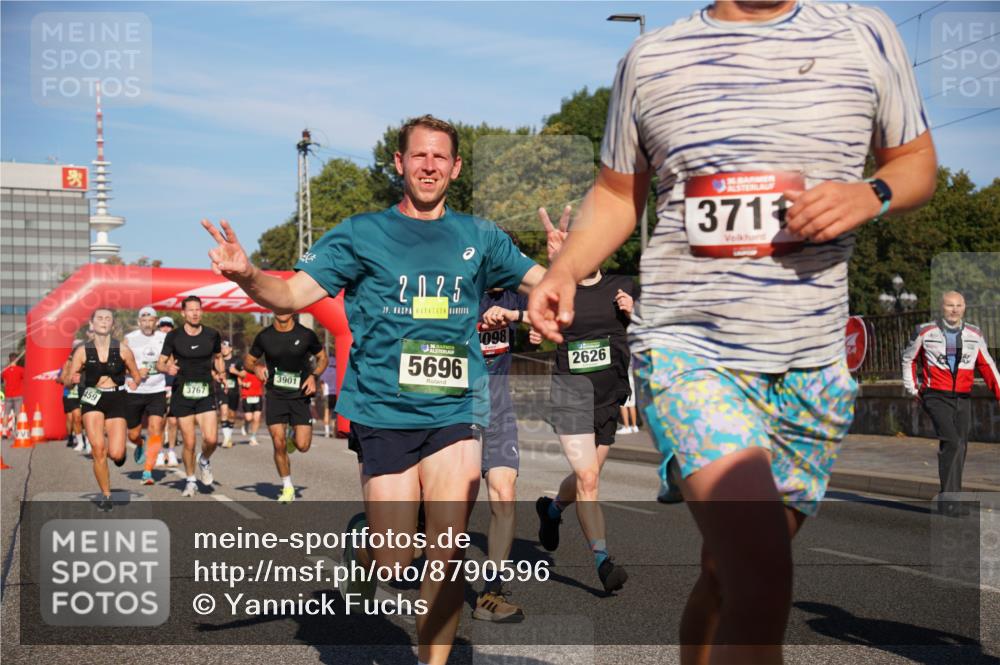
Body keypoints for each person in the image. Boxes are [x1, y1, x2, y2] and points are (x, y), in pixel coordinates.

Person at [527, 2, 937, 662]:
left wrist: (871, 194)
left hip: (811, 363)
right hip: (690, 350)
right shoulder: (650, 59)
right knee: (763, 572)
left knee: (728, 574)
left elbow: (916, 158)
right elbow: (615, 193)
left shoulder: (865, 32)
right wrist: (566, 267)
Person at [203, 114, 546, 665]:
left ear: (455, 168)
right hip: (383, 410)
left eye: (440, 157)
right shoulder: (361, 233)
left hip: (456, 407)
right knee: (394, 560)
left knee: (448, 551)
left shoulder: (481, 237)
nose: (429, 165)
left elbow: (543, 283)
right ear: (399, 164)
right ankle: (366, 545)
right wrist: (247, 275)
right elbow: (290, 297)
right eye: (419, 156)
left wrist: (570, 270)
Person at [534, 206, 635, 594]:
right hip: (571, 396)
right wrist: (555, 268)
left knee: (584, 478)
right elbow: (528, 307)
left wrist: (635, 310)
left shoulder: (622, 286)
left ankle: (553, 508)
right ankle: (603, 560)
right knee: (589, 478)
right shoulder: (558, 287)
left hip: (608, 398)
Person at [902, 291, 1000, 506]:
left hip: (963, 396)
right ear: (941, 308)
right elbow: (908, 358)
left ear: (964, 307)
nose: (954, 309)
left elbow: (986, 365)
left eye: (959, 305)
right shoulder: (924, 331)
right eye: (949, 305)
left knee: (961, 445)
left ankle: (952, 496)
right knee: (952, 441)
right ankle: (950, 500)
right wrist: (913, 389)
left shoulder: (975, 334)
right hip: (935, 395)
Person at [473, 280, 529, 622]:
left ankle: (490, 593)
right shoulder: (462, 289)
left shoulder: (513, 295)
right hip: (455, 408)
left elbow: (556, 311)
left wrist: (517, 316)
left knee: (504, 492)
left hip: (499, 409)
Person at [63, 308, 142, 510]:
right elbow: (67, 381)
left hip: (117, 398)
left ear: (112, 324)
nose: (104, 321)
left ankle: (120, 455)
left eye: (108, 318)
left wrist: (135, 382)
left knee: (115, 453)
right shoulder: (82, 351)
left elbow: (136, 374)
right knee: (98, 449)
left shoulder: (123, 349)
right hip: (92, 398)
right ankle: (106, 496)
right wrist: (72, 380)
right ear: (92, 324)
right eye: (100, 318)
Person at [245, 313, 327, 503]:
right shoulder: (265, 336)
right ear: (273, 310)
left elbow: (323, 358)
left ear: (293, 310)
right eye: (278, 307)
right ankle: (287, 486)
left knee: (303, 446)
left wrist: (313, 376)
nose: (282, 311)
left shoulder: (306, 334)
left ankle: (293, 437)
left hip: (300, 396)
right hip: (276, 395)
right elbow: (249, 361)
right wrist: (256, 368)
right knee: (278, 442)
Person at [157, 296, 225, 497]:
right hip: (182, 393)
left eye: (198, 309)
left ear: (202, 312)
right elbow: (160, 363)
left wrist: (221, 373)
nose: (195, 313)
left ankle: (204, 460)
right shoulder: (174, 336)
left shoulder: (212, 334)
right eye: (191, 310)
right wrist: (167, 367)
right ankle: (190, 480)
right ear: (183, 313)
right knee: (189, 442)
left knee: (211, 439)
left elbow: (219, 357)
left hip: (205, 391)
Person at [124, 306, 169, 485]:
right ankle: (140, 443)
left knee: (156, 428)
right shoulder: (130, 339)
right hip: (134, 391)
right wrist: (135, 372)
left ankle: (148, 471)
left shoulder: (164, 338)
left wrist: (163, 367)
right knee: (133, 433)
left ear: (156, 321)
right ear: (138, 322)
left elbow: (170, 362)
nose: (147, 323)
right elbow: (120, 363)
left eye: (151, 320)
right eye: (144, 320)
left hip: (157, 390)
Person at [155, 316, 181, 468]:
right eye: (163, 326)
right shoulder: (154, 344)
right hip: (158, 386)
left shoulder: (177, 343)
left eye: (168, 326)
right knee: (159, 421)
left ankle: (171, 451)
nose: (165, 328)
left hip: (174, 385)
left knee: (173, 420)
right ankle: (159, 453)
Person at [216, 340, 242, 448]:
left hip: (234, 391)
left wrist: (235, 372)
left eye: (225, 347)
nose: (223, 349)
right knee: (224, 411)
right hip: (222, 390)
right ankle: (226, 439)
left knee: (232, 414)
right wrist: (216, 376)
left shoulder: (237, 360)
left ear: (231, 349)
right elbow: (212, 372)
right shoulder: (217, 360)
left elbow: (244, 374)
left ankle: (228, 436)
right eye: (222, 347)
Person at [61, 341, 86, 451]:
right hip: (71, 394)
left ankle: (88, 441)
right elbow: (63, 379)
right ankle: (77, 440)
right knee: (74, 418)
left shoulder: (89, 361)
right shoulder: (68, 363)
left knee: (86, 418)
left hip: (86, 392)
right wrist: (70, 381)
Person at [239, 365, 264, 446]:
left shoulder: (261, 368)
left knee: (257, 418)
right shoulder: (245, 370)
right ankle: (246, 424)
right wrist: (244, 384)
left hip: (258, 396)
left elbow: (265, 378)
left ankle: (253, 437)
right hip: (247, 396)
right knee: (249, 417)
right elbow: (239, 379)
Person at [2, 352, 24, 424]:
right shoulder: (21, 370)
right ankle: (18, 430)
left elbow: (4, 382)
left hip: (8, 395)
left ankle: (4, 431)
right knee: (18, 414)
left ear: (9, 359)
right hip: (18, 395)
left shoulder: (5, 371)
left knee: (6, 414)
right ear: (16, 359)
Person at [319, 352, 338, 438]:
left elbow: (322, 383)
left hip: (327, 393)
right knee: (334, 412)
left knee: (326, 412)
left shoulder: (325, 371)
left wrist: (323, 393)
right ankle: (334, 429)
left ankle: (327, 431)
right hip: (336, 394)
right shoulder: (337, 371)